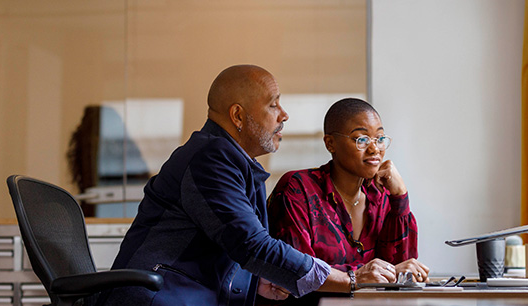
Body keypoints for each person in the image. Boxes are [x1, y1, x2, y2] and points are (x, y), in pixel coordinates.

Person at [98, 66, 395, 306]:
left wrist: (263, 281)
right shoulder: (211, 159)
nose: (284, 115)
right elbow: (251, 244)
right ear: (238, 115)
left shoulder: (231, 162)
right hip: (156, 298)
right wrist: (350, 280)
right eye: (273, 104)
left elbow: (227, 245)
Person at [266, 98, 429, 300]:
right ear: (330, 143)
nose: (374, 149)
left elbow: (401, 274)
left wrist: (400, 197)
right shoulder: (299, 188)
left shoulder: (381, 195)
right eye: (361, 139)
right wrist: (362, 275)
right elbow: (296, 272)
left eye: (379, 138)